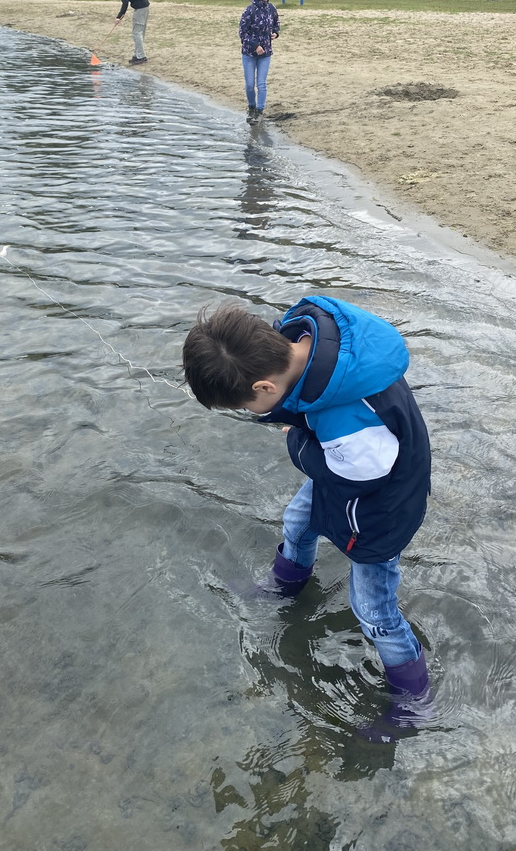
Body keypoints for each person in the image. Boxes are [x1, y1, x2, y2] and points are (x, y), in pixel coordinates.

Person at [182, 295, 432, 737]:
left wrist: (299, 439)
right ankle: (286, 586)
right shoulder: (303, 341)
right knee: (298, 523)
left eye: (246, 406)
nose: (249, 412)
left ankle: (413, 703)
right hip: (350, 470)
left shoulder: (342, 419)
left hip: (378, 509)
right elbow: (332, 444)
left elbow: (358, 473)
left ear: (264, 388)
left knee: (373, 609)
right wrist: (302, 417)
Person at [239, 0, 280, 124]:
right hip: (249, 54)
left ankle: (259, 111)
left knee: (261, 83)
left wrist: (276, 32)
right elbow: (243, 33)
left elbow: (276, 23)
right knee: (250, 84)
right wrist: (255, 45)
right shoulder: (249, 11)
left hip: (266, 54)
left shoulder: (271, 9)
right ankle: (251, 107)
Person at [105, 0, 150, 65]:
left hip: (140, 8)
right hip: (145, 6)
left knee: (136, 33)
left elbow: (125, 2)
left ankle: (141, 57)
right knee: (140, 32)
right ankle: (137, 55)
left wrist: (119, 17)